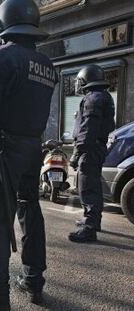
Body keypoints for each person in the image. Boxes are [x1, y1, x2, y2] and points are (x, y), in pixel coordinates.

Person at [0, 1, 57, 310]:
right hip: (33, 146)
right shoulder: (46, 65)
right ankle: (33, 281)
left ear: (3, 24)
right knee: (30, 211)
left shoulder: (0, 57)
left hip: (4, 148)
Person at [68, 64, 115, 243]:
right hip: (96, 147)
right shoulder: (103, 96)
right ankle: (93, 221)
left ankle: (89, 228)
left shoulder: (93, 98)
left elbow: (87, 129)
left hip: (90, 149)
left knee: (87, 187)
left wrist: (77, 153)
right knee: (91, 185)